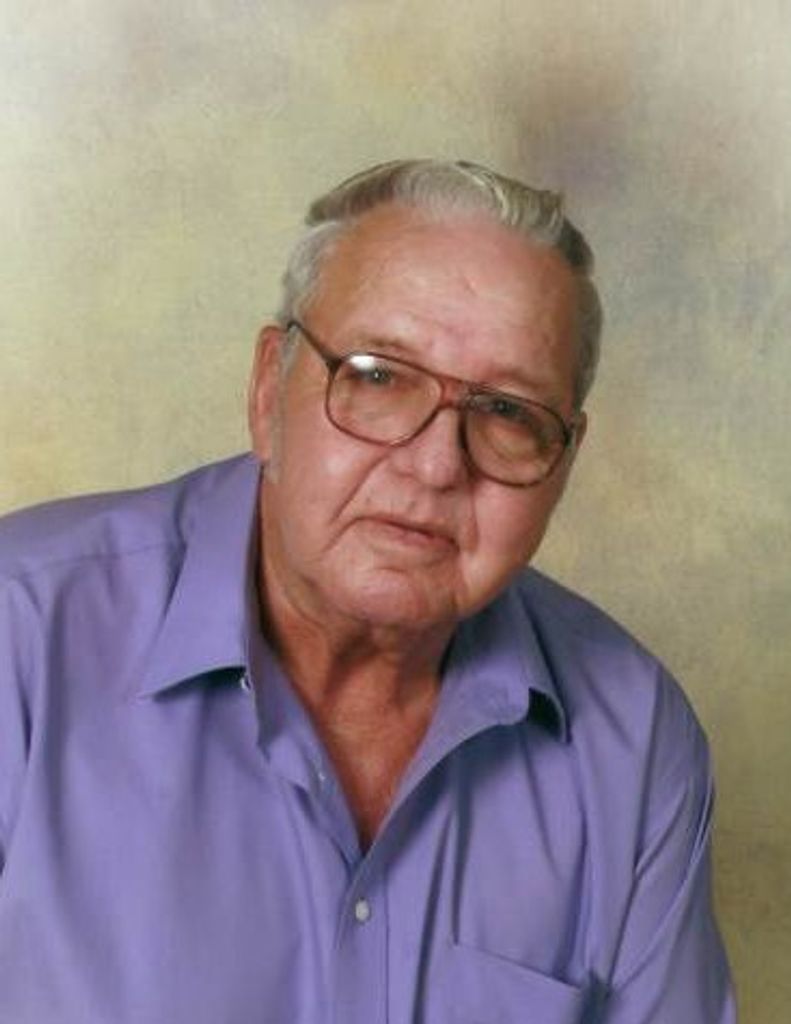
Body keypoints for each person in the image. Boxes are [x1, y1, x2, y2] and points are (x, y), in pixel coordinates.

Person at [0, 159, 735, 1023]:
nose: (434, 465)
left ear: (563, 462)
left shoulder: (632, 737)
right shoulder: (21, 634)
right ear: (267, 388)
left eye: (507, 412)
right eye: (379, 376)